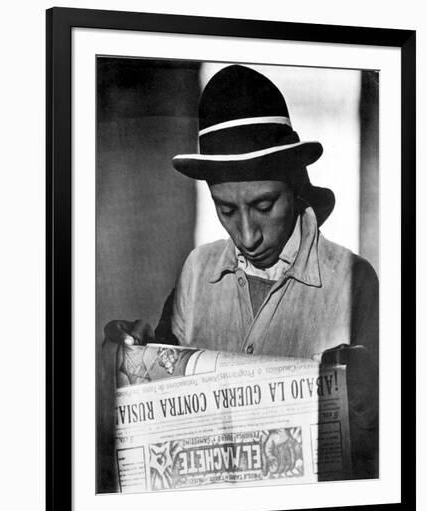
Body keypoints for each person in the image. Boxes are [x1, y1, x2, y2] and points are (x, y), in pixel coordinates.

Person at [104, 64, 379, 478]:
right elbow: (163, 402)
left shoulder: (353, 281)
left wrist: (369, 401)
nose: (247, 235)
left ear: (295, 184)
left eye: (265, 206)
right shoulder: (196, 271)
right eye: (226, 209)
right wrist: (134, 357)